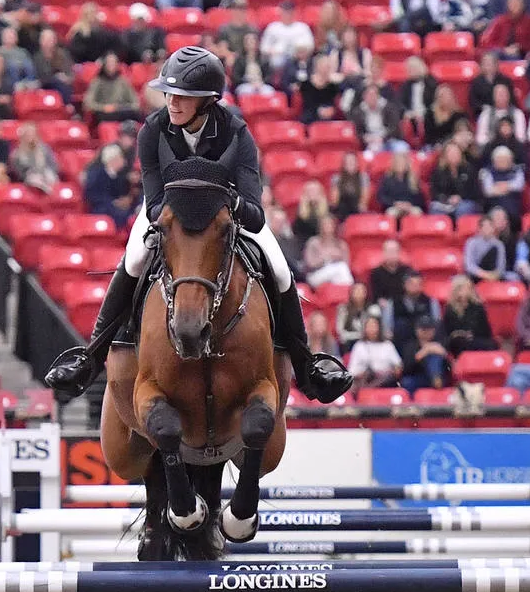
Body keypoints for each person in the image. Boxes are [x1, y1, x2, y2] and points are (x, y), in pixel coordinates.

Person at [42, 46, 349, 402]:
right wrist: (175, 216)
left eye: (183, 97)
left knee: (280, 270)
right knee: (135, 259)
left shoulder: (236, 132)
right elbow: (154, 202)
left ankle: (307, 366)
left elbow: (254, 211)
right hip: (169, 214)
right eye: (169, 94)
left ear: (206, 101)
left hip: (226, 216)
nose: (172, 103)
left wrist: (227, 205)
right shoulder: (152, 131)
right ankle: (91, 357)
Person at [396, 312, 450, 392]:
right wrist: (422, 353)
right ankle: (435, 379)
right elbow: (406, 368)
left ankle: (436, 379)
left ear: (434, 330)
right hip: (420, 377)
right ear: (416, 330)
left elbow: (449, 365)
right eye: (423, 329)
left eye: (429, 329)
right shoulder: (410, 346)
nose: (426, 332)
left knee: (434, 356)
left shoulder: (440, 343)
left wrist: (443, 353)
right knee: (407, 382)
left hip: (441, 377)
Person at [440, 275, 495, 354]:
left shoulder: (478, 307)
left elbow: (486, 331)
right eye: (465, 288)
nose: (468, 290)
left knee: (491, 344)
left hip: (476, 339)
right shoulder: (450, 309)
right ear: (457, 290)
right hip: (458, 343)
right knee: (460, 342)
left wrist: (473, 334)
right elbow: (447, 332)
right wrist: (458, 334)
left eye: (469, 287)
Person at [347, 313, 404, 389]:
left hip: (385, 379)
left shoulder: (388, 345)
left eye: (374, 326)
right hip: (366, 379)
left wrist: (392, 371)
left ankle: (370, 388)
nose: (372, 329)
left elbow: (398, 365)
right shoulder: (359, 346)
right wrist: (362, 373)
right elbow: (351, 371)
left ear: (379, 327)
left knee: (388, 378)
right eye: (369, 326)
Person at [302, 214, 353, 288]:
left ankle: (342, 292)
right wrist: (326, 258)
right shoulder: (313, 242)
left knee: (340, 273)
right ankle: (351, 289)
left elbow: (346, 265)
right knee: (340, 269)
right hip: (315, 274)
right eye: (325, 224)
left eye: (329, 224)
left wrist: (337, 258)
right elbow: (309, 264)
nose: (327, 226)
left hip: (336, 274)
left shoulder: (341, 245)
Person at [463, 214, 508, 282]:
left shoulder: (499, 244)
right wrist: (484, 274)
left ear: (493, 228)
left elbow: (501, 266)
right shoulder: (471, 242)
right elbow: (469, 265)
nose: (487, 229)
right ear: (480, 229)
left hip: (494, 275)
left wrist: (494, 275)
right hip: (476, 276)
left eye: (490, 226)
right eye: (485, 226)